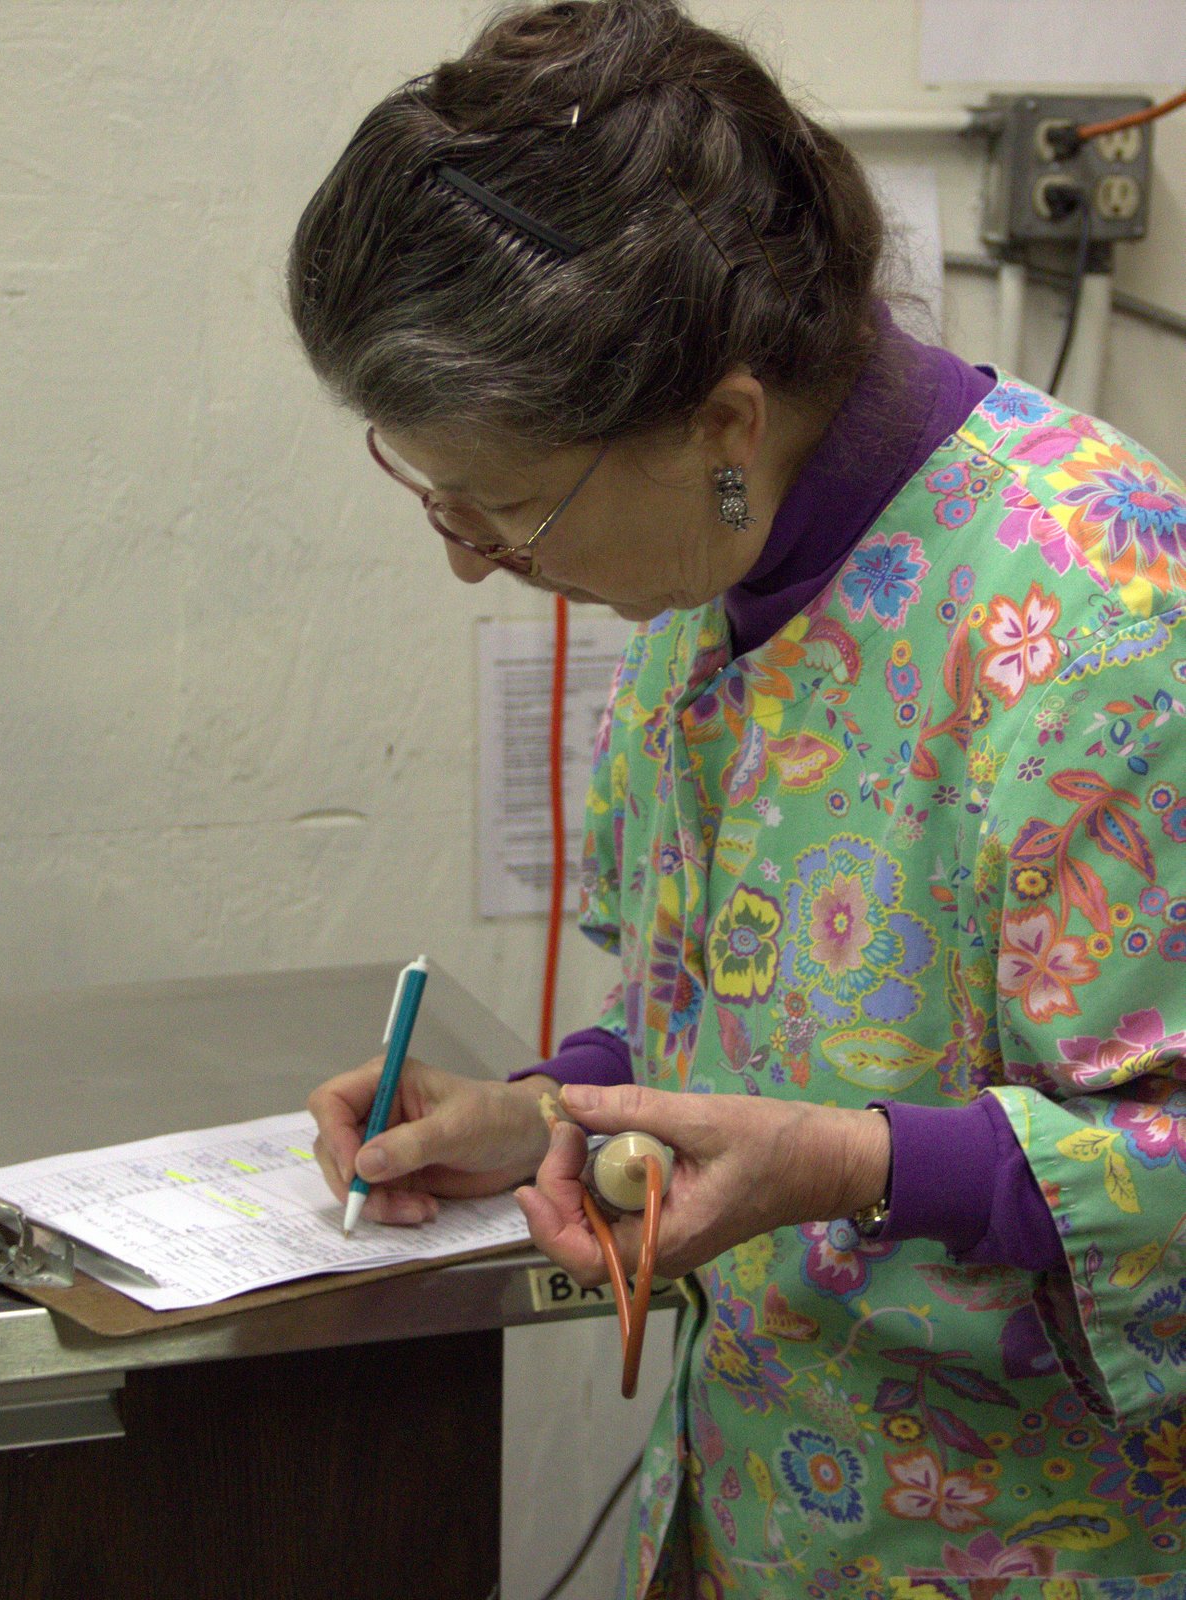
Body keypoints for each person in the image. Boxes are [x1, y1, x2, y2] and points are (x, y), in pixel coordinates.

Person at [291, 1, 1186, 1593]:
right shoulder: (722, 570)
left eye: (506, 512)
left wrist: (859, 1168)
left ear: (721, 420)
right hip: (757, 1508)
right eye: (434, 496)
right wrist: (547, 1115)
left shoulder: (1103, 627)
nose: (468, 561)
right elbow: (735, 994)